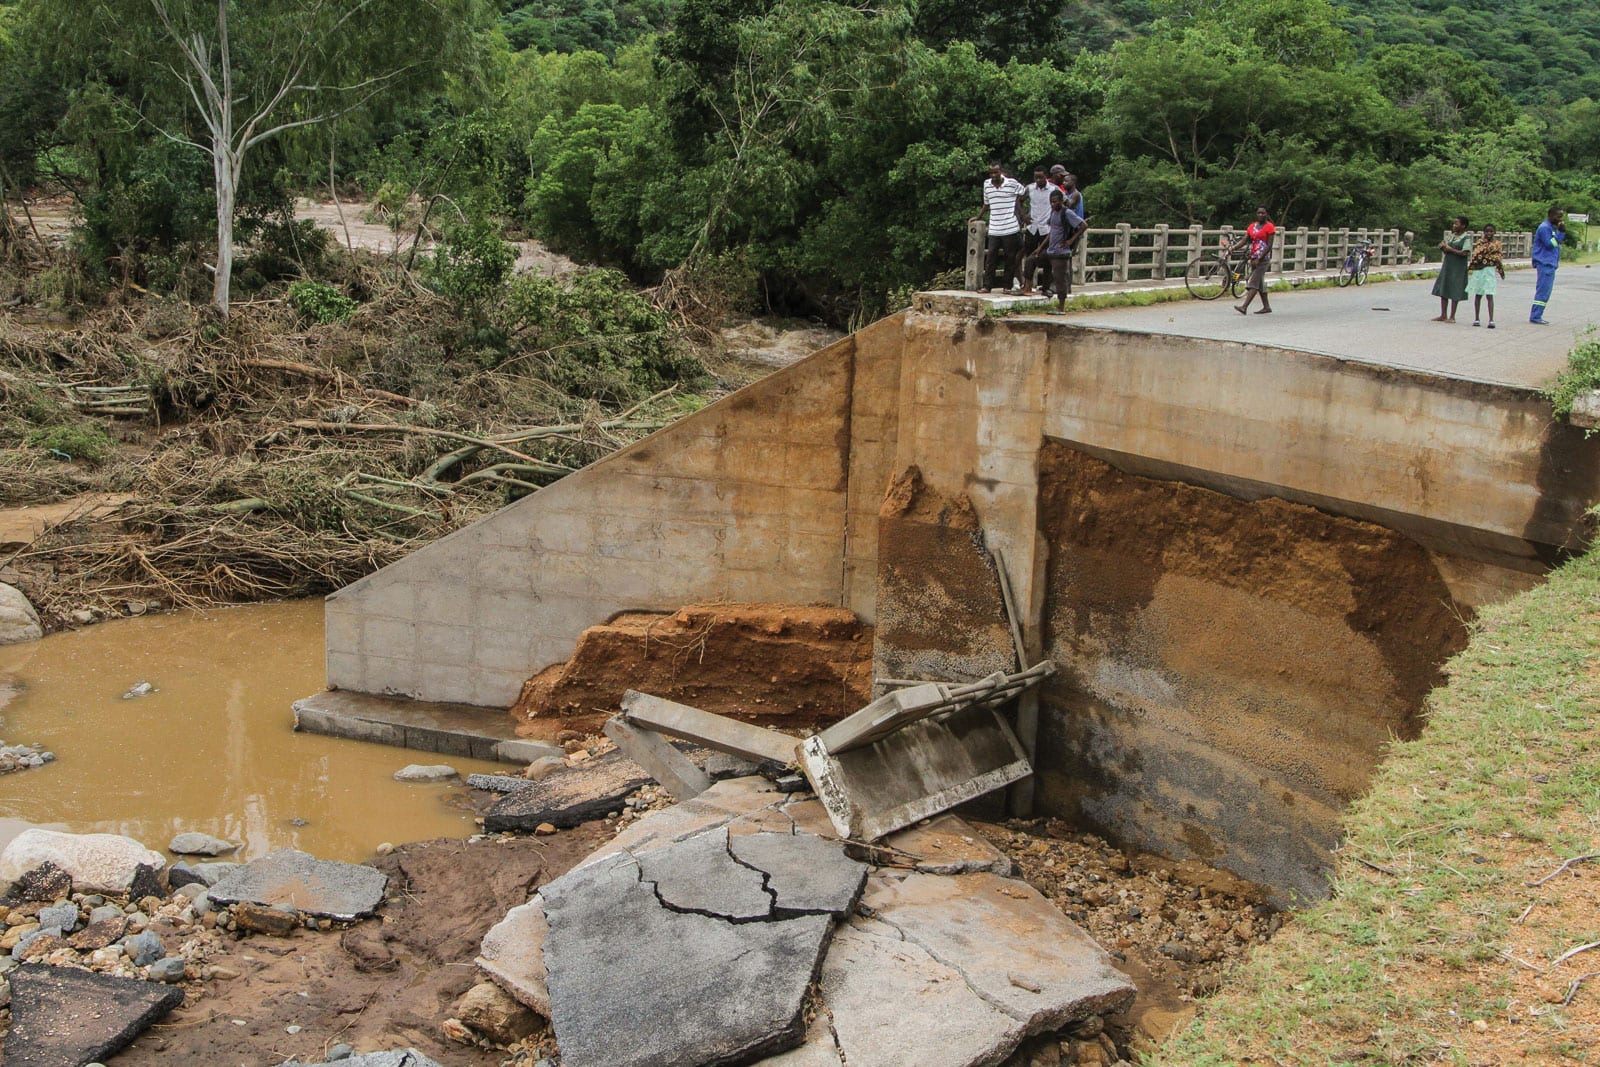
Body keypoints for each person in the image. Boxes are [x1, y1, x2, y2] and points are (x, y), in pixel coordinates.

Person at [1021, 188, 1085, 307]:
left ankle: (1061, 306)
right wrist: (1040, 248)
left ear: (1061, 201)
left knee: (1059, 278)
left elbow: (1083, 225)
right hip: (1051, 250)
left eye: (1055, 202)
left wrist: (1070, 241)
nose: (1053, 204)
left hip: (1061, 252)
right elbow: (1052, 232)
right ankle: (1027, 288)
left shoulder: (1067, 213)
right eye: (1051, 202)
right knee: (1031, 260)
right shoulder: (1053, 213)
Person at [970, 162, 1025, 293]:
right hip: (995, 226)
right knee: (990, 258)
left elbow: (1023, 192)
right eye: (991, 173)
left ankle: (1007, 286)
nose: (994, 175)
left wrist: (1015, 203)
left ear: (1001, 172)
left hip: (1010, 226)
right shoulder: (987, 184)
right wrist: (978, 217)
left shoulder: (1011, 183)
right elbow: (986, 203)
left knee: (1009, 259)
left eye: (996, 172)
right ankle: (987, 286)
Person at [1020, 168, 1059, 294]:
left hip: (1046, 228)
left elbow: (1063, 203)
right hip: (1032, 227)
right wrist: (1024, 216)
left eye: (1040, 177)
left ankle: (1046, 286)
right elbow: (1018, 200)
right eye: (1036, 177)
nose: (1038, 180)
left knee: (1046, 258)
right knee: (1029, 256)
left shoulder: (1053, 189)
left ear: (1046, 177)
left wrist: (1053, 218)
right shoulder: (1030, 188)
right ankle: (1028, 285)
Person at [1231, 206, 1276, 314]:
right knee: (1259, 283)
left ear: (1266, 214)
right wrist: (1233, 248)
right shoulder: (1252, 226)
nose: (1261, 215)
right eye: (1259, 213)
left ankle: (1244, 307)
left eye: (1263, 213)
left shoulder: (1270, 227)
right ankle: (1266, 307)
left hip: (1263, 259)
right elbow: (1244, 240)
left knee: (1254, 283)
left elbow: (1269, 245)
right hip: (1253, 257)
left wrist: (1260, 258)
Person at [1431, 216, 1472, 322]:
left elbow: (1465, 253)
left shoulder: (1466, 238)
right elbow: (1446, 250)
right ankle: (1443, 314)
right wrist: (1443, 247)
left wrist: (1450, 249)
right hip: (1448, 265)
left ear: (1463, 226)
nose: (1454, 225)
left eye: (1456, 223)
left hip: (1458, 267)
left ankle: (1452, 316)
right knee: (1444, 287)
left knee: (1455, 289)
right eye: (1454, 223)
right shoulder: (1452, 236)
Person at [1530, 206, 1567, 324]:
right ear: (1551, 215)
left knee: (1546, 290)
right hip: (1545, 263)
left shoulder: (1551, 227)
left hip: (1550, 263)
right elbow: (1550, 244)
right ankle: (1536, 316)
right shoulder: (1545, 228)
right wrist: (1561, 232)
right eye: (1558, 216)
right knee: (1543, 290)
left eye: (1561, 216)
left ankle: (1537, 315)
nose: (1560, 219)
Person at [1465, 224, 1505, 329]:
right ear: (1484, 232)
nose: (1489, 233)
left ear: (1494, 232)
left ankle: (1491, 320)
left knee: (1489, 295)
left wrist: (1486, 258)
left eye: (1491, 231)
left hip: (1489, 271)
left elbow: (1498, 257)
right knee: (1478, 295)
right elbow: (1476, 255)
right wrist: (1488, 258)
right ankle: (1476, 318)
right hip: (1479, 271)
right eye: (1487, 231)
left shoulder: (1497, 244)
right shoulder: (1480, 243)